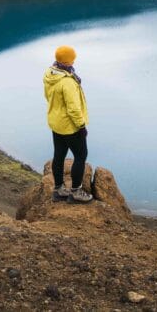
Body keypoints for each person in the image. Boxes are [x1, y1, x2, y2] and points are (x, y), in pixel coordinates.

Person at [43, 44, 93, 203]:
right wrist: (81, 126)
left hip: (56, 123)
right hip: (70, 127)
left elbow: (48, 97)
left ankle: (58, 189)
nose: (74, 61)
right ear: (68, 60)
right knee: (81, 156)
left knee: (59, 155)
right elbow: (73, 109)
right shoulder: (68, 82)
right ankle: (76, 192)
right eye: (72, 59)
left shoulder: (50, 73)